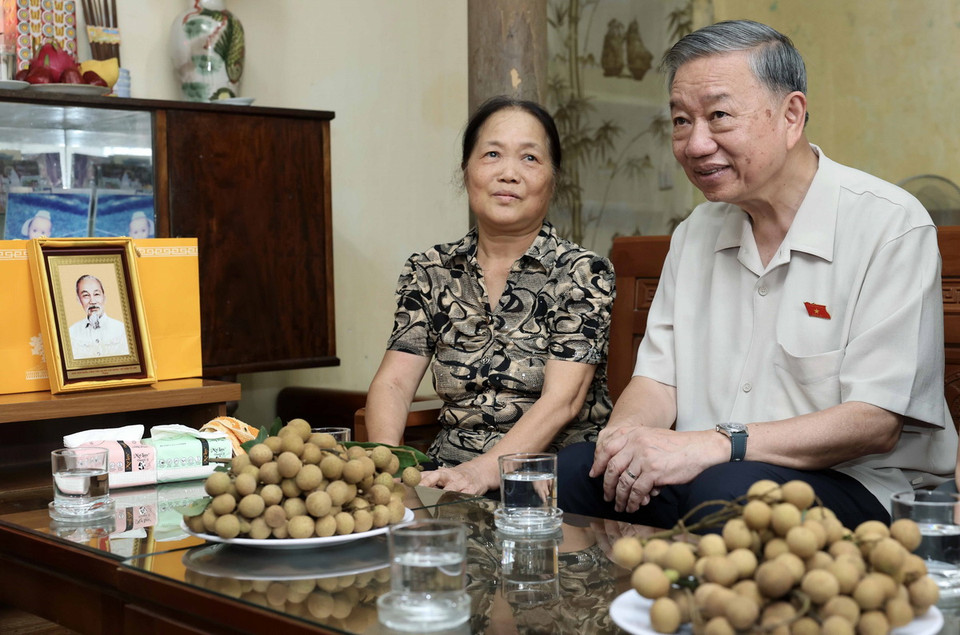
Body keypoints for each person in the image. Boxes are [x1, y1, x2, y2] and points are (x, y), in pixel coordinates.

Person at [557, 20, 958, 531]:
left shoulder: (890, 225)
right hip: (705, 470)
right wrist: (624, 444)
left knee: (729, 493)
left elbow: (874, 423)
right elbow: (657, 381)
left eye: (719, 116)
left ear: (791, 115)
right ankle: (609, 613)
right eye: (681, 121)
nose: (696, 144)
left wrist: (717, 445)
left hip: (856, 484)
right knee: (574, 472)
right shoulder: (695, 233)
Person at [363, 96, 616, 495]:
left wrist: (480, 474)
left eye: (530, 159)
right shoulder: (430, 269)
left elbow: (563, 401)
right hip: (447, 470)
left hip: (550, 474)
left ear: (553, 178)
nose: (509, 174)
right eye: (492, 154)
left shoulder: (581, 271)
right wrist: (389, 466)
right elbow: (393, 383)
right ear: (466, 171)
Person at [68, 274, 130, 359]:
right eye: (86, 295)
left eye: (96, 294)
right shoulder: (71, 334)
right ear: (79, 300)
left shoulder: (122, 330)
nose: (92, 301)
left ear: (104, 297)